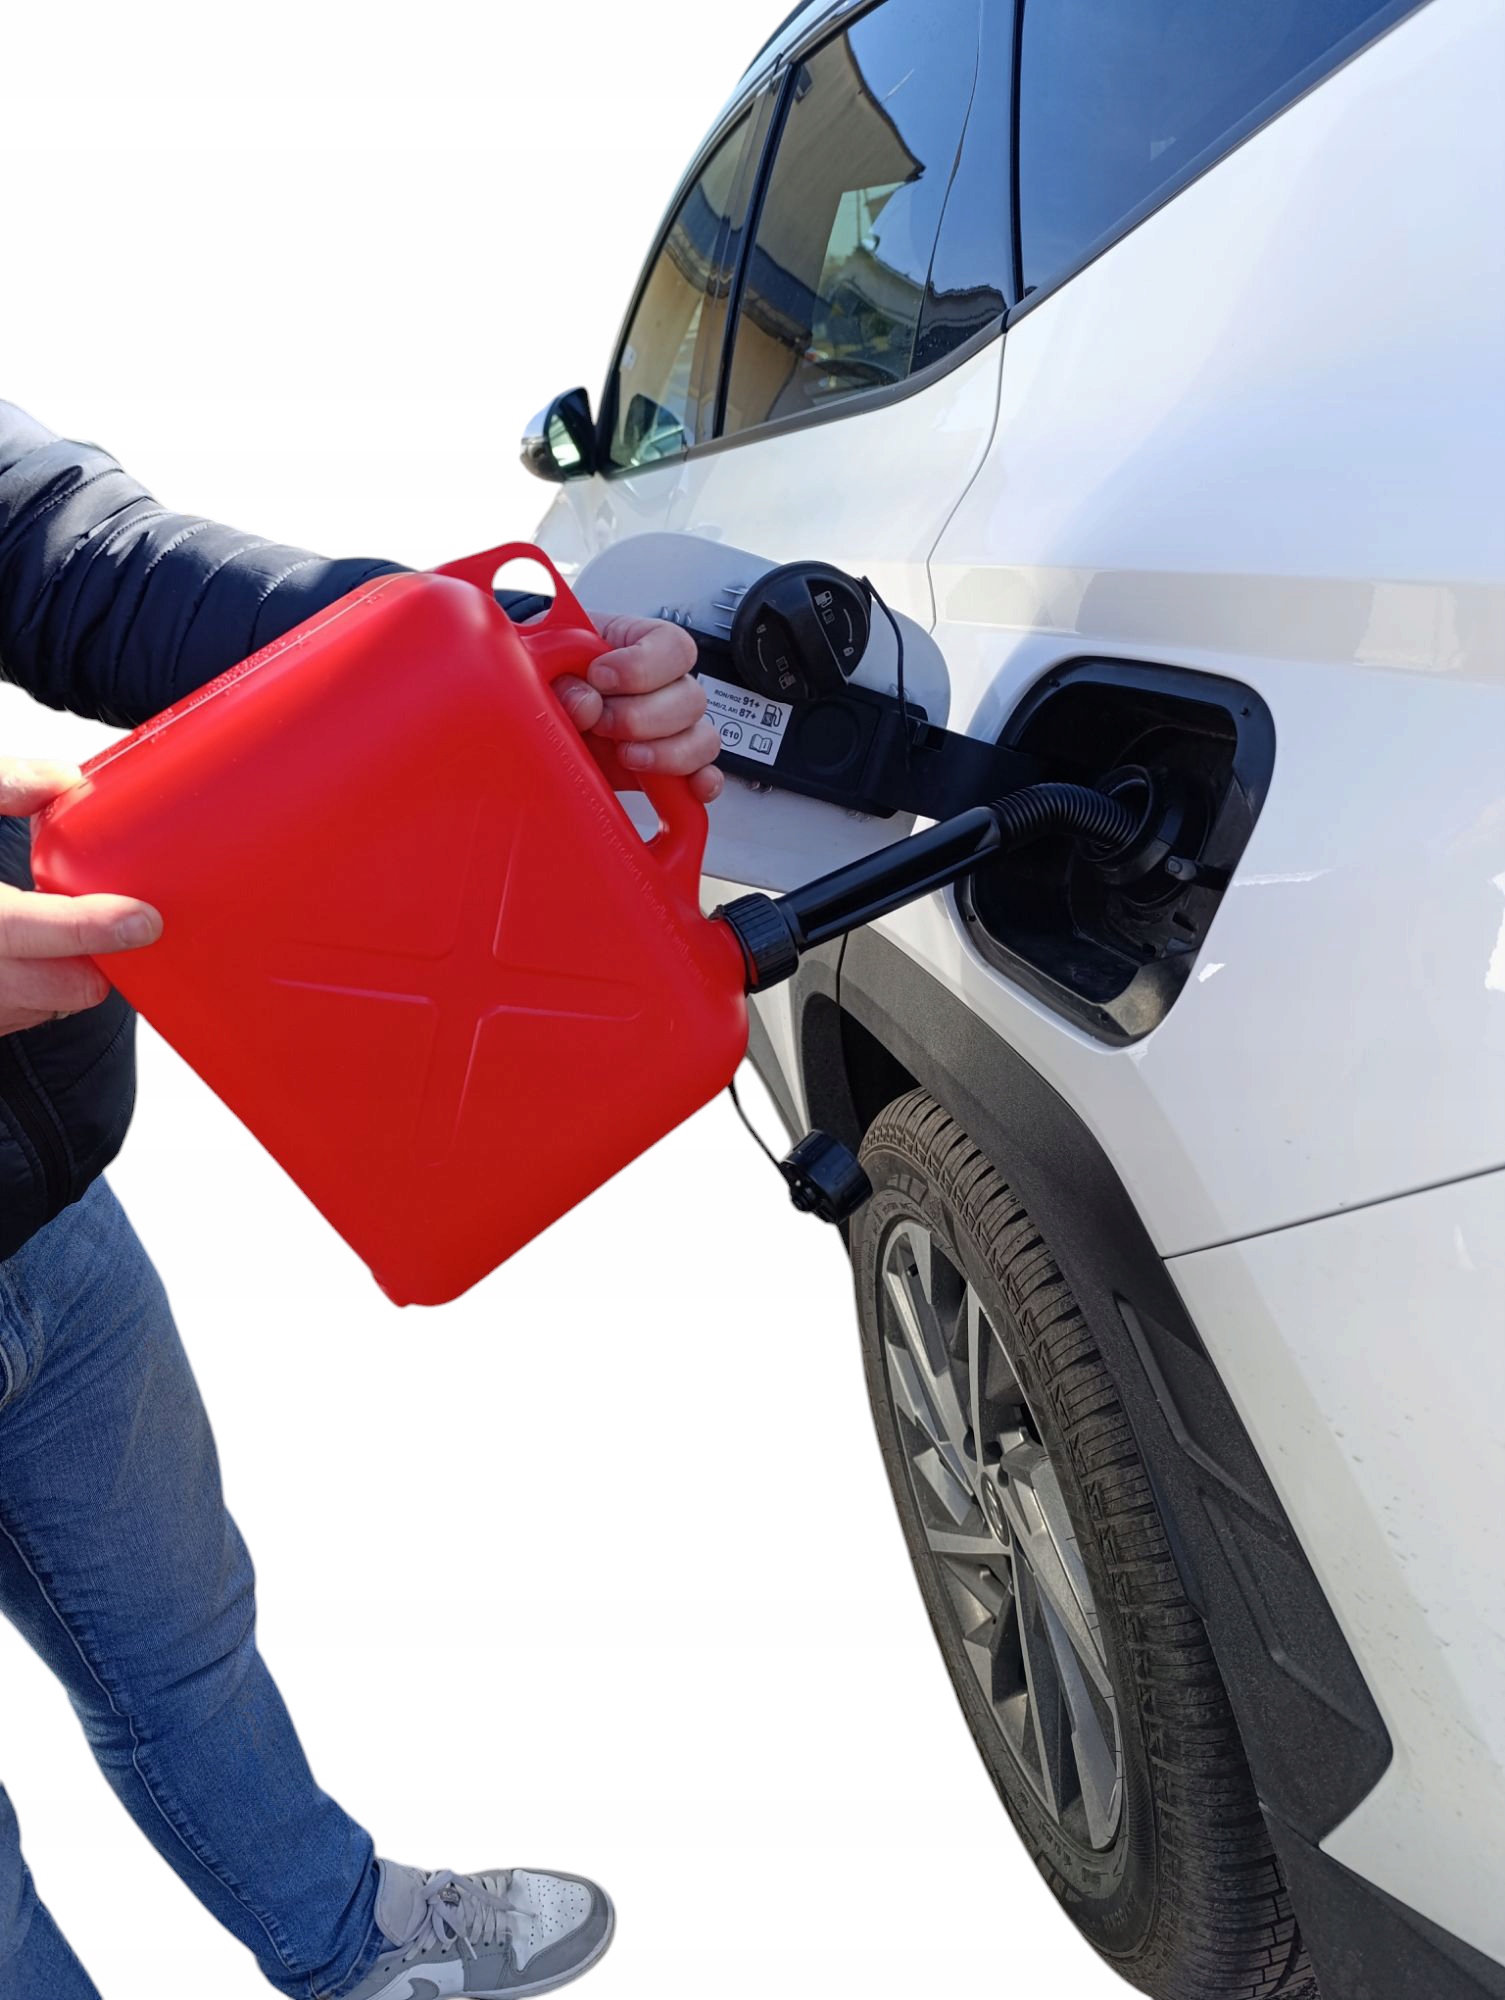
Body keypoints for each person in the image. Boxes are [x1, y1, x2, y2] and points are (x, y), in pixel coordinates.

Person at [0, 401, 723, 2000]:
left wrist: (466, 674)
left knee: (180, 1642)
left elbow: (76, 559)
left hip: (34, 1207)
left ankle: (345, 1946)